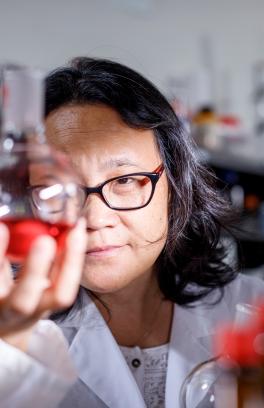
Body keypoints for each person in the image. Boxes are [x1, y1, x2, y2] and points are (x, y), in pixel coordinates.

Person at [1, 57, 264, 408]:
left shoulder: (251, 313)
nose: (94, 217)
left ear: (175, 182)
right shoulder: (10, 336)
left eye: (125, 180)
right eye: (56, 189)